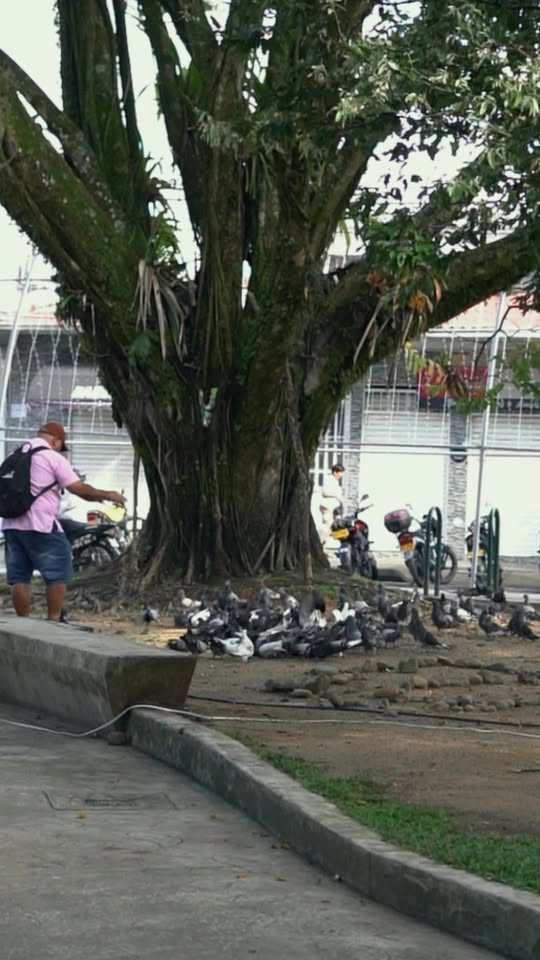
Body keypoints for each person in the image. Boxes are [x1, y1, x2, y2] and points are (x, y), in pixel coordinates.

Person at [2, 422, 125, 621]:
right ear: (56, 440)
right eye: (60, 444)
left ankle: (22, 622)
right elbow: (78, 488)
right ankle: (54, 620)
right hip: (40, 525)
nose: (60, 448)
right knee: (58, 571)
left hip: (11, 525)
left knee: (19, 578)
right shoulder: (52, 457)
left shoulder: (16, 454)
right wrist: (108, 495)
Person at [319, 462, 345, 550]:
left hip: (333, 509)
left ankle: (323, 547)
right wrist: (336, 495)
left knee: (331, 528)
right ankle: (319, 545)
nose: (341, 475)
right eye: (340, 472)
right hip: (327, 507)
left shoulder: (335, 481)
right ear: (335, 472)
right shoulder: (329, 479)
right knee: (327, 526)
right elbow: (325, 492)